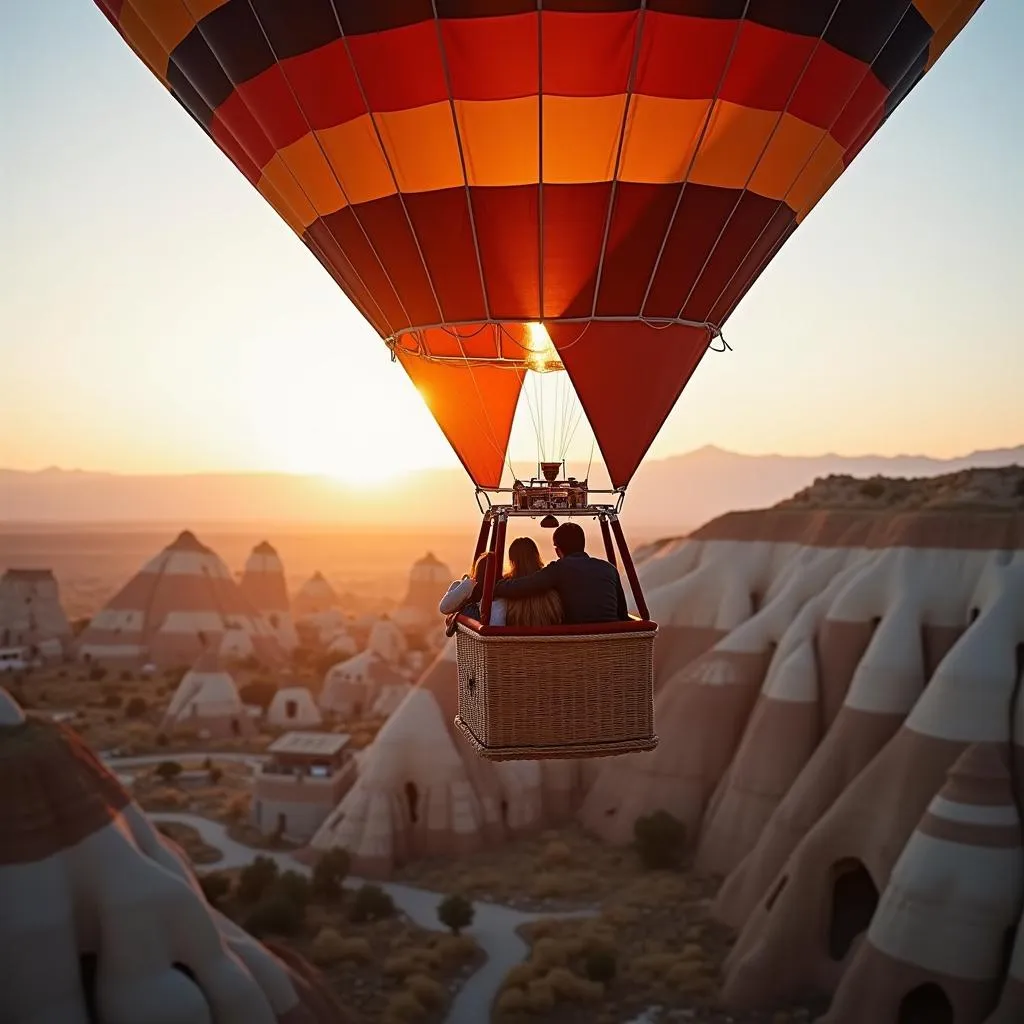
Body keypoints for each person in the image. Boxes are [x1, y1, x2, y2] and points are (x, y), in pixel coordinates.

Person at [492, 522, 629, 624]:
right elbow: (622, 613)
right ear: (583, 544)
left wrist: (498, 586)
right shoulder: (609, 568)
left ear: (558, 550)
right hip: (613, 641)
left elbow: (524, 586)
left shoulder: (559, 569)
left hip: (577, 641)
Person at [502, 537, 563, 627]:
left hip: (516, 640)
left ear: (512, 560)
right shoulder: (552, 594)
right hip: (549, 639)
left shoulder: (505, 592)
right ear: (536, 556)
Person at [439, 552, 505, 624]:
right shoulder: (502, 596)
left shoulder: (470, 587)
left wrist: (467, 584)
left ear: (477, 571)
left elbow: (444, 608)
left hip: (476, 631)